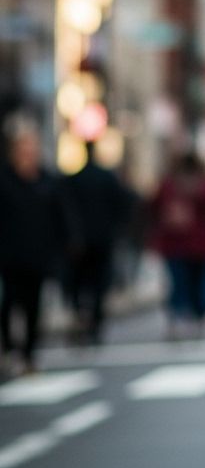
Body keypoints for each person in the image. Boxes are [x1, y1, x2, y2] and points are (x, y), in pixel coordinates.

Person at [0, 113, 72, 375]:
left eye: (31, 147)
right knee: (8, 303)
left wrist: (65, 245)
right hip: (8, 254)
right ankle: (8, 349)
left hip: (39, 254)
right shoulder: (5, 180)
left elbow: (60, 216)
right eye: (23, 147)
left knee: (33, 306)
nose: (28, 153)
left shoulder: (47, 181)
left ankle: (29, 354)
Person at [147, 149, 205, 338]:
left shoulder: (169, 185)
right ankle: (198, 317)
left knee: (179, 283)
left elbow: (153, 208)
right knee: (200, 283)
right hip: (200, 245)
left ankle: (180, 318)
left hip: (176, 244)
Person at [62, 143, 135, 345]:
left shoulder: (74, 179)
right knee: (99, 284)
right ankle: (94, 323)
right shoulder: (107, 178)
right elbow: (124, 203)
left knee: (79, 282)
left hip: (80, 241)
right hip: (102, 239)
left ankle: (81, 316)